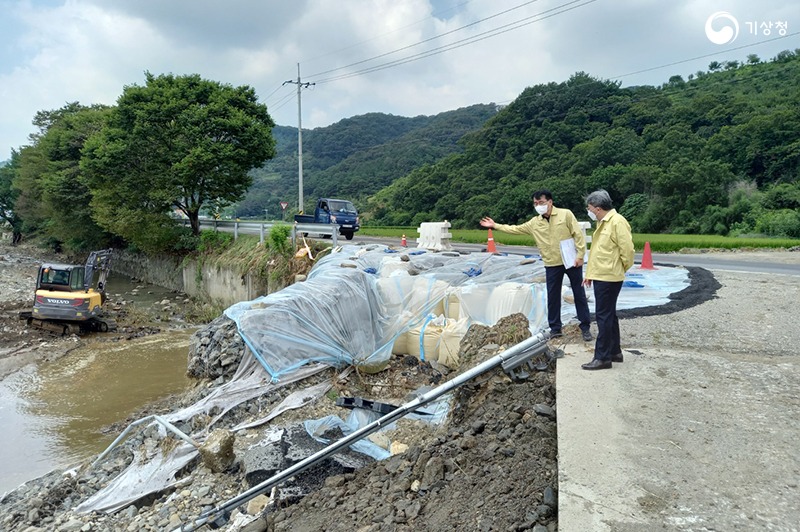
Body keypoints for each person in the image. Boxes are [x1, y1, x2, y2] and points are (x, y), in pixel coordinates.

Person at [480, 189, 593, 341]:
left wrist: (580, 256)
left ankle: (585, 327)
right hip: (551, 263)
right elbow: (515, 229)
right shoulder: (535, 222)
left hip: (571, 261)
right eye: (535, 203)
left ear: (550, 202)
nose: (538, 206)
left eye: (541, 202)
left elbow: (578, 235)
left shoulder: (565, 214)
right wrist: (495, 225)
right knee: (553, 296)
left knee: (579, 294)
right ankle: (555, 328)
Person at [581, 189, 635, 370]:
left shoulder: (617, 222)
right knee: (609, 314)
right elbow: (598, 252)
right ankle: (614, 352)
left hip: (609, 277)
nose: (588, 212)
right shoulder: (603, 223)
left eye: (589, 208)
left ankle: (602, 357)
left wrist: (620, 268)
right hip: (601, 274)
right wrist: (590, 273)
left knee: (603, 316)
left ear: (597, 208)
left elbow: (627, 251)